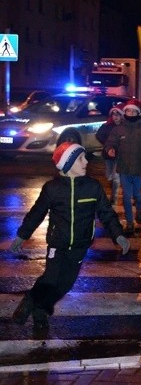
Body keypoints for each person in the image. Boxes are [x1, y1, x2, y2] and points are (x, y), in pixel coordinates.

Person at [10, 142, 130, 331]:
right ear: (68, 164)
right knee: (50, 278)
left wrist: (118, 235)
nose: (86, 162)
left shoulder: (92, 187)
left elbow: (106, 213)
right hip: (58, 242)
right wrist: (21, 236)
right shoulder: (52, 188)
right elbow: (37, 213)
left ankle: (40, 307)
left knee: (65, 284)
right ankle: (32, 303)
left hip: (80, 245)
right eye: (80, 158)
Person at [105, 99, 141, 235]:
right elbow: (111, 142)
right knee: (126, 196)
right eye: (128, 111)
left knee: (137, 194)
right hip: (124, 168)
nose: (130, 113)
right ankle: (130, 222)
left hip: (138, 169)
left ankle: (139, 210)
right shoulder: (118, 129)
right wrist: (110, 149)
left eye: (133, 111)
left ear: (137, 112)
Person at [96, 102, 124, 204]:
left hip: (119, 155)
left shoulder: (124, 127)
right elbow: (99, 135)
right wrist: (108, 144)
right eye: (113, 115)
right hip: (108, 155)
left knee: (116, 176)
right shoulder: (107, 126)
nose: (115, 117)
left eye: (117, 115)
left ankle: (114, 197)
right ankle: (112, 187)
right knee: (109, 175)